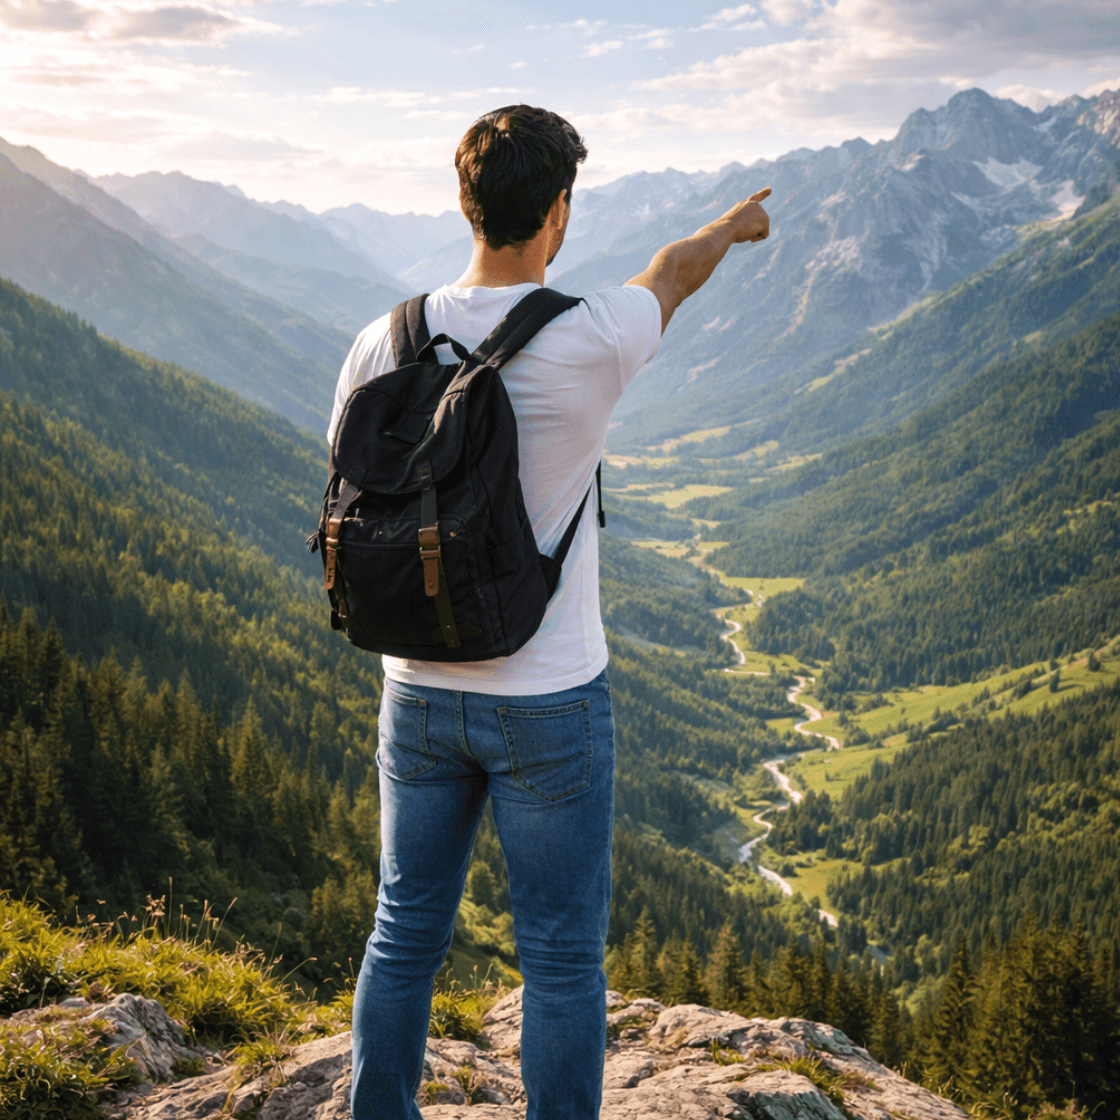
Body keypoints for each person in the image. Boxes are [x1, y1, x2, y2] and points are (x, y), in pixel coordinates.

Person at [332, 104, 770, 1120]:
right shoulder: (591, 336)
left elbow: (358, 486)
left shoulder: (380, 341)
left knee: (403, 933)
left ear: (464, 203)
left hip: (416, 689)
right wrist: (734, 225)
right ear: (559, 212)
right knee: (563, 959)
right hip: (549, 699)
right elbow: (674, 272)